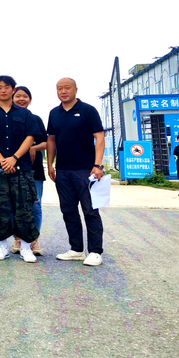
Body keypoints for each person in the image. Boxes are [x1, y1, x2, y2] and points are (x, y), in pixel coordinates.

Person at [0, 75, 40, 263]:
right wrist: (2, 160)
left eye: (7, 87)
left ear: (13, 89)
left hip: (22, 169)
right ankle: (2, 246)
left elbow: (30, 137)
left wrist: (14, 158)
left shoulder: (26, 114)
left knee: (24, 209)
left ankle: (26, 248)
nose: (3, 90)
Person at [47, 77, 106, 267]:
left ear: (75, 90)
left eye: (67, 88)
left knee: (90, 210)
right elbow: (51, 140)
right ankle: (76, 249)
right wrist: (50, 164)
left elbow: (99, 137)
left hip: (86, 170)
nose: (63, 91)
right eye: (59, 88)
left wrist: (98, 165)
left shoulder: (88, 110)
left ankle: (95, 251)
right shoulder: (54, 113)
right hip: (63, 170)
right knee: (68, 210)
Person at [11, 86, 47, 255]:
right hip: (12, 167)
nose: (21, 99)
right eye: (17, 96)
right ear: (12, 98)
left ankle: (34, 240)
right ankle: (17, 239)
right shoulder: (7, 119)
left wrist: (33, 147)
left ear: (30, 100)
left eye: (25, 96)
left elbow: (46, 142)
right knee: (15, 204)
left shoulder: (35, 119)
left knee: (35, 204)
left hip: (34, 168)